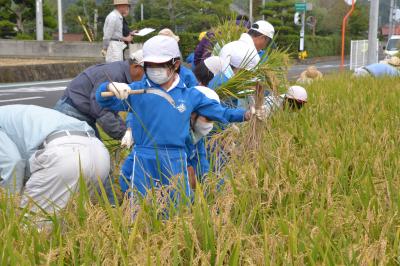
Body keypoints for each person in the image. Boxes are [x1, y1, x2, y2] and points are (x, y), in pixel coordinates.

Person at [96, 35, 253, 202]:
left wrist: (246, 114)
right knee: (142, 211)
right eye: (150, 65)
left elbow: (222, 112)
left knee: (176, 212)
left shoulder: (190, 95)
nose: (154, 69)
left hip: (175, 160)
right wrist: (109, 87)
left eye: (160, 65)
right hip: (143, 159)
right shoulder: (137, 91)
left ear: (175, 64)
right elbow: (104, 100)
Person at [0, 105, 110, 213]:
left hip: (63, 154)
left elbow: (12, 162)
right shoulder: (11, 113)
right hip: (98, 152)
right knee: (69, 222)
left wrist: (8, 206)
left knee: (31, 226)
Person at [54, 50, 144, 140]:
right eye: (147, 71)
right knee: (90, 150)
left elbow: (109, 109)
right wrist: (124, 134)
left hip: (80, 113)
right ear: (136, 67)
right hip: (71, 113)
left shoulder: (120, 71)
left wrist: (126, 131)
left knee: (95, 148)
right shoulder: (114, 75)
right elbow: (101, 111)